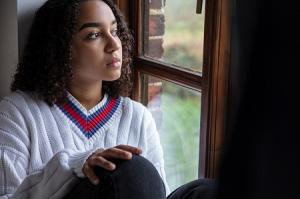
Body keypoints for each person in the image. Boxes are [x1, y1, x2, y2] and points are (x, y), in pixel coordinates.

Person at [0, 0, 216, 198]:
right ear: (60, 47)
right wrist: (74, 166)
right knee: (129, 171)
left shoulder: (137, 116)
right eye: (94, 35)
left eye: (114, 31)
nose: (114, 44)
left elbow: (156, 192)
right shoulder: (17, 113)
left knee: (206, 191)